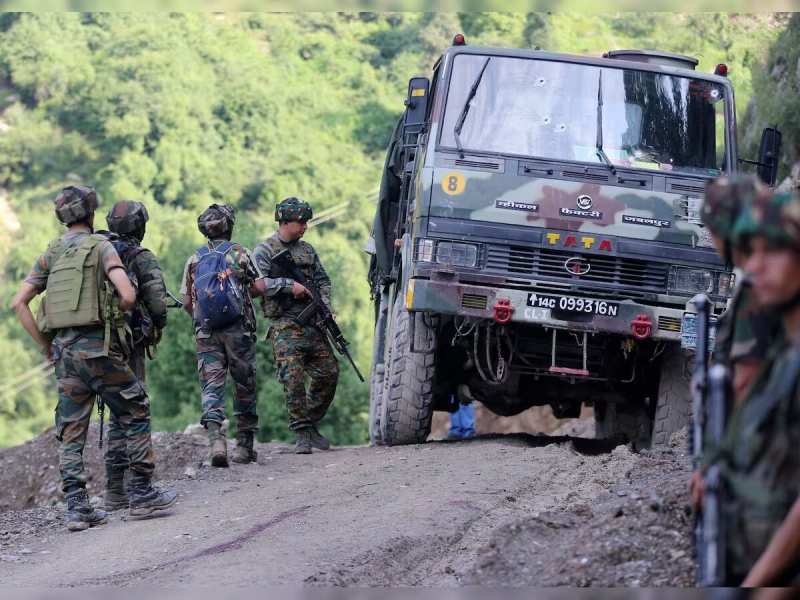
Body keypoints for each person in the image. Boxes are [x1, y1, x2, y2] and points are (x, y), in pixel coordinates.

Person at [10, 185, 176, 531]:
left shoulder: (51, 252)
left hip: (64, 354)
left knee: (71, 430)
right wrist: (117, 309)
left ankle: (77, 508)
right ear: (91, 213)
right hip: (98, 349)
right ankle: (142, 494)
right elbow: (128, 295)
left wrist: (45, 345)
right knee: (135, 407)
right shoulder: (102, 246)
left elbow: (18, 303)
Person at [709, 189, 800, 585]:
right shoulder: (783, 356)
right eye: (752, 252)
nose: (755, 267)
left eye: (773, 252)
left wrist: (758, 582)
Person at [180, 204, 265, 466]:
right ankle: (243, 446)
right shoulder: (240, 253)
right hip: (238, 330)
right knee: (244, 384)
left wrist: (203, 316)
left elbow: (186, 301)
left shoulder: (194, 259)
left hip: (206, 332)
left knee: (211, 387)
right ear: (229, 226)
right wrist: (238, 297)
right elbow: (260, 286)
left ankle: (217, 441)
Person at [253, 197, 339, 454]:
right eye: (300, 222)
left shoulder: (307, 251)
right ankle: (302, 433)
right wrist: (291, 287)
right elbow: (258, 285)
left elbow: (323, 280)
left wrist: (324, 305)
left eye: (306, 222)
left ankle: (310, 423)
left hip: (312, 323)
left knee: (329, 372)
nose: (304, 227)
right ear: (285, 222)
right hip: (284, 325)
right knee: (293, 379)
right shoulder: (264, 251)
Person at [102, 200, 168, 511]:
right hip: (128, 345)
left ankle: (115, 489)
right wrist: (158, 325)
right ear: (140, 226)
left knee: (117, 412)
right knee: (132, 410)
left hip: (95, 344)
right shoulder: (141, 256)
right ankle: (137, 490)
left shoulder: (98, 250)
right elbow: (157, 303)